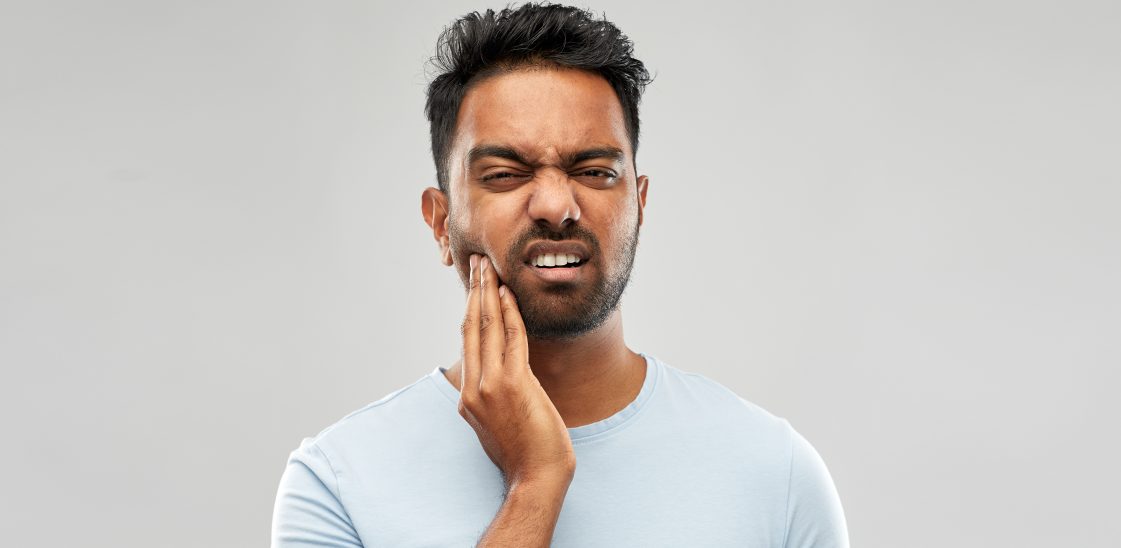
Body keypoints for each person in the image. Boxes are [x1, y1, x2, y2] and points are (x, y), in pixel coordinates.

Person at [271, 4, 848, 546]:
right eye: (504, 174)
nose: (555, 204)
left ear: (639, 206)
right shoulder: (339, 483)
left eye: (594, 172)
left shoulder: (777, 473)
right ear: (441, 222)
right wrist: (535, 484)